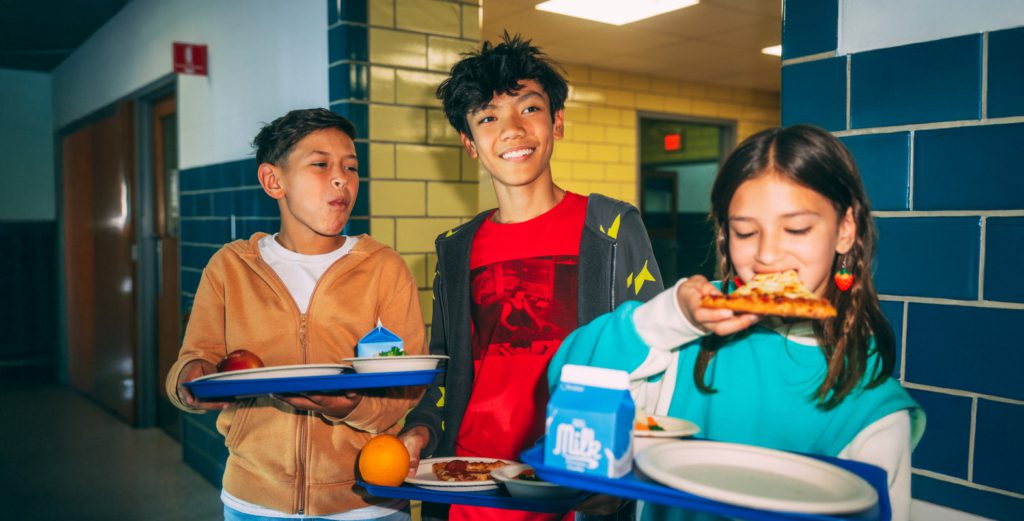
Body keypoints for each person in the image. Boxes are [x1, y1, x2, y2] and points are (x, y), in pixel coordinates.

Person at [547, 125, 926, 521]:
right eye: (745, 231)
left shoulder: (873, 407)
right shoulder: (684, 340)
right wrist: (670, 319)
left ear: (845, 229)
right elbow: (569, 386)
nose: (767, 254)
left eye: (796, 228)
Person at [399, 33, 663, 521]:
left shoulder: (610, 227)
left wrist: (628, 471)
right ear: (470, 143)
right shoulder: (456, 247)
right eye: (488, 118)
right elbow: (446, 371)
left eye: (529, 109)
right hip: (473, 485)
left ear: (557, 122)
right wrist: (419, 432)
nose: (512, 129)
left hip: (575, 484)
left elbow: (656, 365)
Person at [166, 108, 425, 521]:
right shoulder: (231, 267)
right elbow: (191, 360)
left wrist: (349, 406)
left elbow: (407, 389)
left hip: (366, 504)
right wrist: (190, 380)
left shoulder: (384, 269)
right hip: (254, 500)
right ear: (273, 181)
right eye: (321, 165)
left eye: (351, 167)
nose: (342, 178)